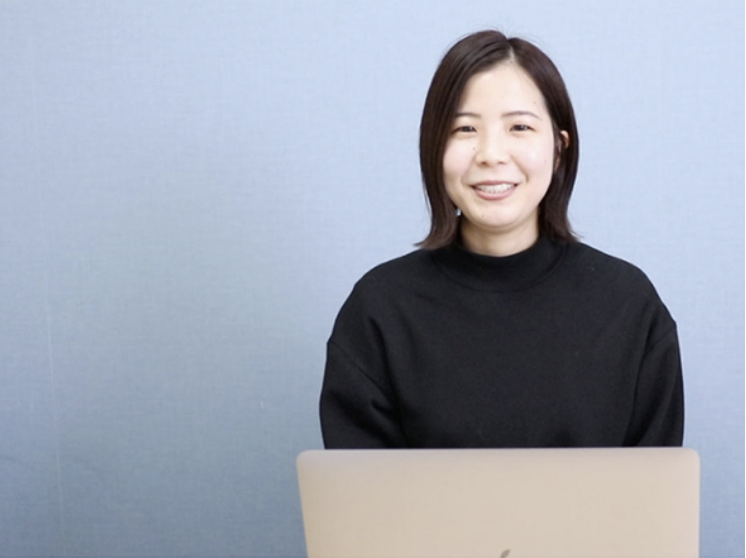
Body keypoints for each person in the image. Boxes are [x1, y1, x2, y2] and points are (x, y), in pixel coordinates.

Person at [319, 30, 683, 449]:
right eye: (465, 129)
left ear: (559, 148)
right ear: (434, 148)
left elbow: (654, 484)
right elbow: (359, 487)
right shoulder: (380, 309)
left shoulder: (628, 306)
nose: (491, 154)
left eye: (519, 127)